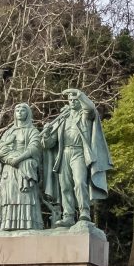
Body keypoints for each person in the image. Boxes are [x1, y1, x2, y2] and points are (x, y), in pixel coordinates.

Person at [42, 89, 112, 227]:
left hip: (79, 153)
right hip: (64, 154)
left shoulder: (84, 116)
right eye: (70, 99)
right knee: (65, 186)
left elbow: (91, 108)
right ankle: (68, 215)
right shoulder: (62, 119)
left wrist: (79, 93)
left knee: (80, 182)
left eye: (75, 99)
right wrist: (46, 134)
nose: (73, 102)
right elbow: (49, 143)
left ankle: (84, 211)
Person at [0, 103, 44, 232]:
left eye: (23, 109)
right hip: (8, 170)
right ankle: (5, 224)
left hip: (23, 169)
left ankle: (28, 224)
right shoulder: (8, 132)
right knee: (7, 197)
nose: (19, 112)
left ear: (28, 113)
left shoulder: (32, 131)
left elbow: (35, 148)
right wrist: (1, 157)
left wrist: (19, 159)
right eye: (17, 109)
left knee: (25, 197)